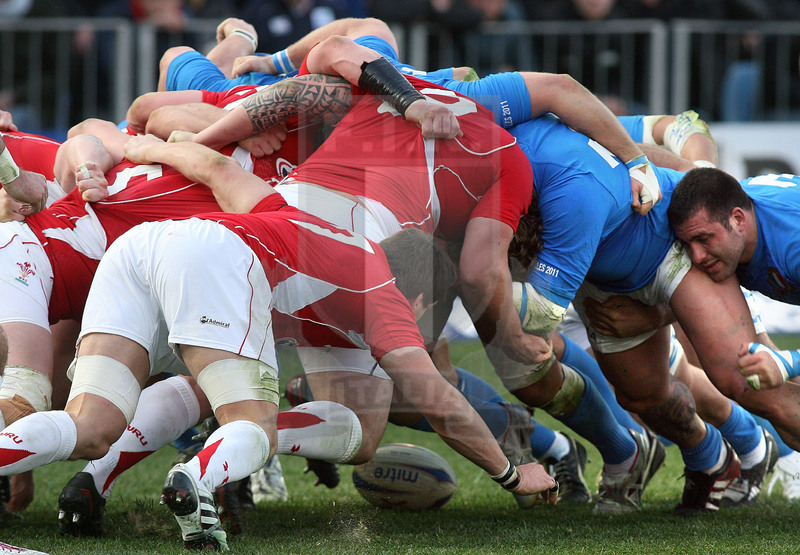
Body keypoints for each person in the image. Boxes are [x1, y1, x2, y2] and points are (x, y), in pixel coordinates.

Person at [0, 136, 557, 551]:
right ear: (420, 299)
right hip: (212, 261)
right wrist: (512, 473)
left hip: (136, 249)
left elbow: (216, 168)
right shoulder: (382, 290)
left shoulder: (305, 221)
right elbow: (435, 398)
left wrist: (138, 143)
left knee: (92, 426)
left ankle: (88, 472)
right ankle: (195, 480)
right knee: (252, 422)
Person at [668, 168, 800, 395]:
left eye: (704, 239)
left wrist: (788, 362)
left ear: (738, 219)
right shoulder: (723, 211)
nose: (697, 256)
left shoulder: (792, 245)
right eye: (688, 244)